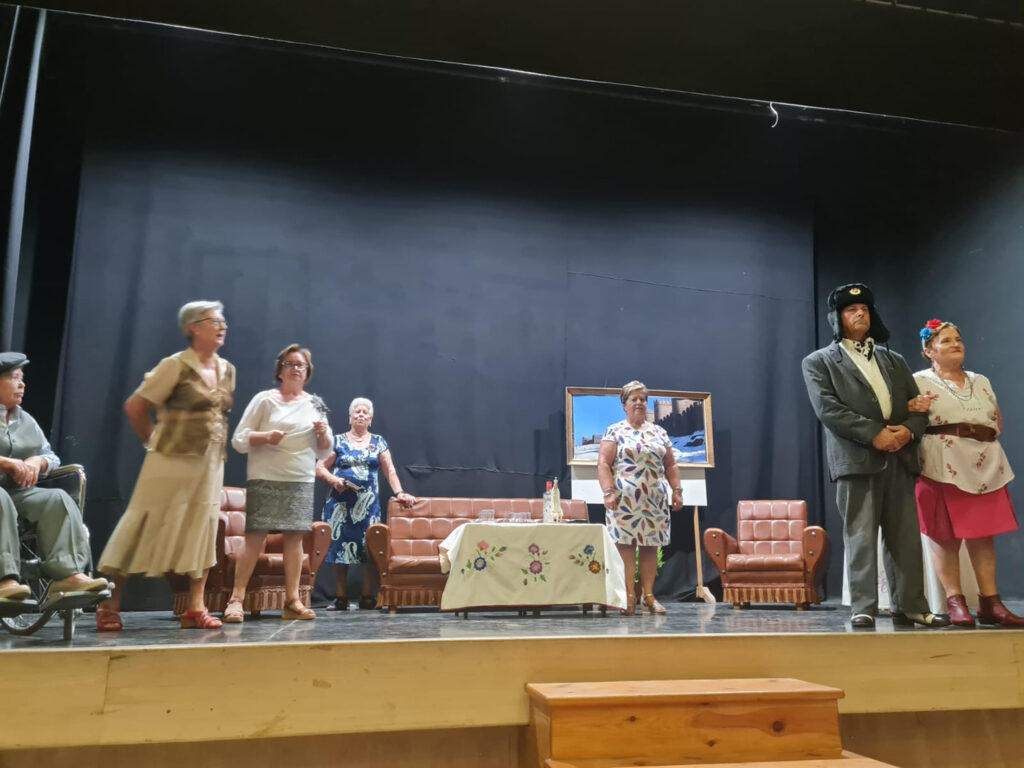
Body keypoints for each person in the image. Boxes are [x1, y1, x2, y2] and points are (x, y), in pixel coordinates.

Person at [801, 283, 949, 629]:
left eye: (865, 309)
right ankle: (863, 607)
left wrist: (907, 431)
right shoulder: (819, 362)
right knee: (861, 536)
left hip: (900, 458)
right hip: (856, 460)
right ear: (837, 317)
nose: (860, 314)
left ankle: (912, 606)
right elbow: (828, 410)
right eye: (851, 310)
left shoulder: (894, 360)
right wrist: (874, 434)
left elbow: (918, 408)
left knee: (905, 537)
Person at [97, 301, 235, 630]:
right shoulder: (175, 365)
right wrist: (154, 442)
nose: (222, 326)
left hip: (210, 462)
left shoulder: (227, 369)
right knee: (142, 524)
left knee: (203, 528)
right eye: (214, 321)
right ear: (193, 327)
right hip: (170, 461)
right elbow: (136, 407)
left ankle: (196, 607)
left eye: (223, 321)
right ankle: (109, 604)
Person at [910, 319, 1022, 627]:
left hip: (984, 465)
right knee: (944, 535)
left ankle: (990, 602)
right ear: (929, 351)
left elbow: (996, 419)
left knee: (983, 534)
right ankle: (955, 601)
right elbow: (909, 419)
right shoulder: (918, 382)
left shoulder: (980, 380)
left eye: (958, 339)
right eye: (946, 340)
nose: (955, 344)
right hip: (941, 466)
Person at [223, 344, 332, 623]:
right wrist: (265, 437)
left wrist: (322, 434)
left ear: (308, 372)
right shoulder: (264, 400)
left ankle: (292, 601)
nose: (295, 368)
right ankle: (236, 599)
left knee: (294, 540)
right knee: (255, 537)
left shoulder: (316, 404)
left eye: (301, 365)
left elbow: (325, 451)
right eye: (290, 364)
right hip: (265, 477)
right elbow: (238, 440)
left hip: (299, 478)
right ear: (280, 370)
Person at [0, 352, 108, 601]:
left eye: (22, 378)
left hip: (18, 493)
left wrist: (37, 462)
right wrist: (5, 462)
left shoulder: (26, 420)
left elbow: (50, 455)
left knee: (57, 499)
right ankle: (5, 581)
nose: (22, 385)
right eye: (14, 378)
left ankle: (67, 576)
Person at [315, 397, 415, 610]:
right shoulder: (337, 441)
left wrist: (400, 492)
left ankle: (368, 596)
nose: (361, 415)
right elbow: (320, 467)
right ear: (350, 417)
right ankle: (340, 598)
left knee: (369, 550)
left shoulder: (378, 442)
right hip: (340, 505)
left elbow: (390, 470)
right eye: (357, 412)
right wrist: (334, 480)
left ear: (370, 419)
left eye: (365, 412)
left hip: (368, 506)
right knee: (339, 550)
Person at [597, 380, 683, 615]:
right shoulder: (615, 430)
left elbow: (671, 465)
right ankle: (628, 597)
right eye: (634, 399)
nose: (639, 403)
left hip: (654, 498)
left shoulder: (659, 432)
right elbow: (603, 463)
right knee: (625, 546)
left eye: (643, 399)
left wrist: (677, 490)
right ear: (624, 405)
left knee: (650, 546)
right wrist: (608, 492)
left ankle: (649, 596)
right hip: (624, 499)